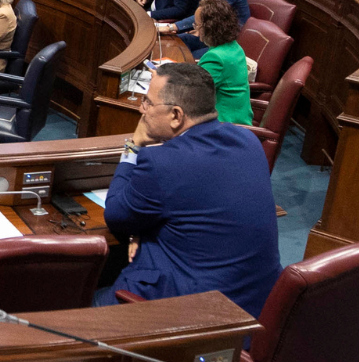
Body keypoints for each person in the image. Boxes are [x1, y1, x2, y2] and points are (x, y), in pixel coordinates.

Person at [95, 60, 279, 310]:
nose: (142, 109)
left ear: (176, 115)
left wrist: (132, 146)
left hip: (192, 312)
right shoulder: (248, 141)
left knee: (73, 304)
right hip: (254, 304)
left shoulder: (162, 163)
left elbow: (116, 214)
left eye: (148, 102)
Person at [191, 0, 252, 126]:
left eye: (197, 25)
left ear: (210, 27)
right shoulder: (235, 47)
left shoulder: (216, 57)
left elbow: (191, 94)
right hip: (239, 119)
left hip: (224, 125)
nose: (196, 30)